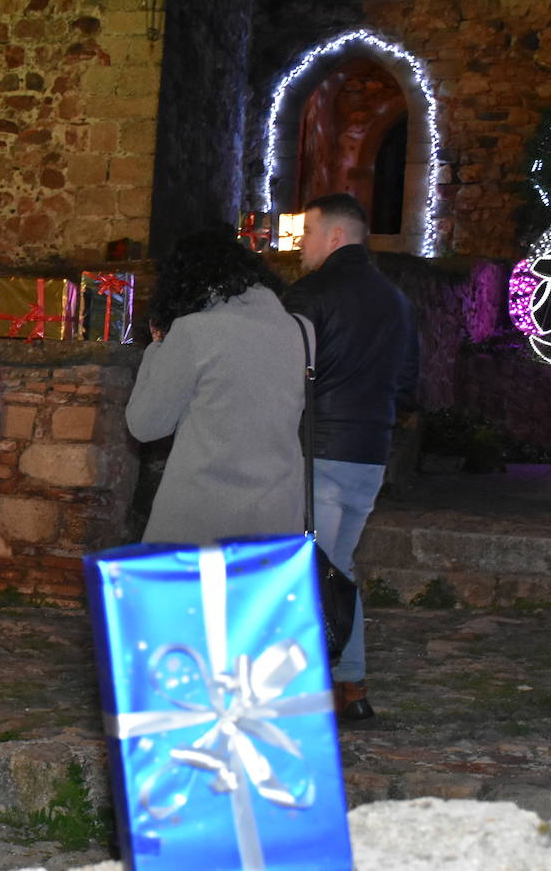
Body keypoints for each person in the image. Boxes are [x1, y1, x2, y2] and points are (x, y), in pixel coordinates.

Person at [282, 193, 419, 722]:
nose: (301, 245)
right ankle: (351, 688)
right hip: (371, 452)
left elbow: (284, 376)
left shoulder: (310, 294)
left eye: (308, 233)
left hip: (319, 451)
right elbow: (408, 387)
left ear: (335, 236)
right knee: (337, 568)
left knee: (308, 572)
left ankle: (309, 692)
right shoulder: (398, 302)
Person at [126, 225, 312, 544]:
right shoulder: (302, 330)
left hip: (201, 521)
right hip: (277, 518)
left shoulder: (193, 332)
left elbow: (145, 425)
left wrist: (157, 346)